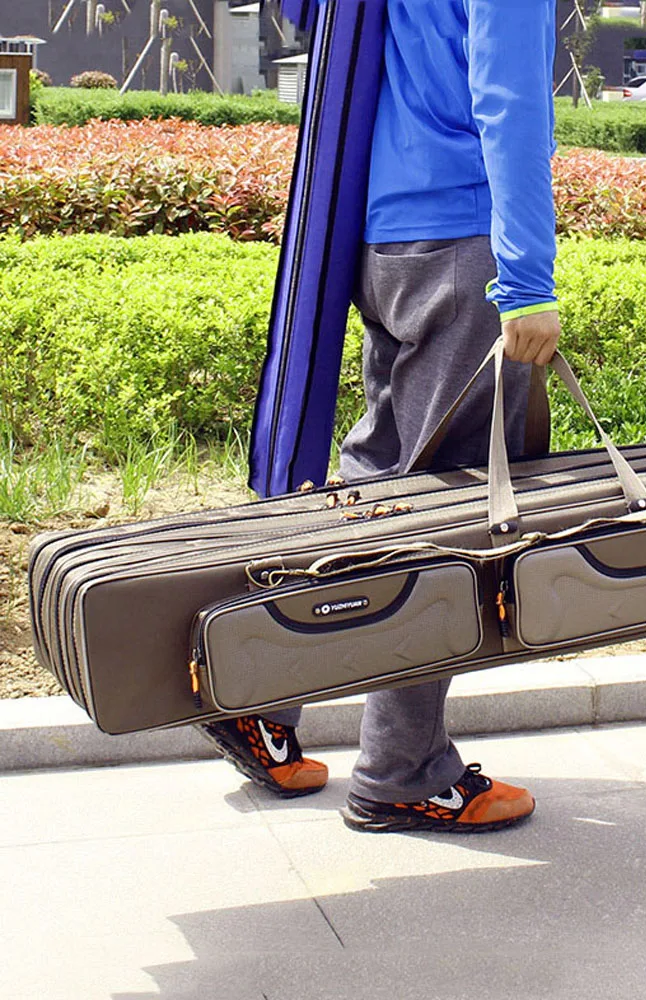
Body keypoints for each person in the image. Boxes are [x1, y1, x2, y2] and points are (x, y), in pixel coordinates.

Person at [200, 0, 560, 833]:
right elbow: (507, 102)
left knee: (377, 495)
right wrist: (530, 279)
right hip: (460, 244)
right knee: (446, 517)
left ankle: (261, 699)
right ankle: (405, 771)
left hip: (375, 241)